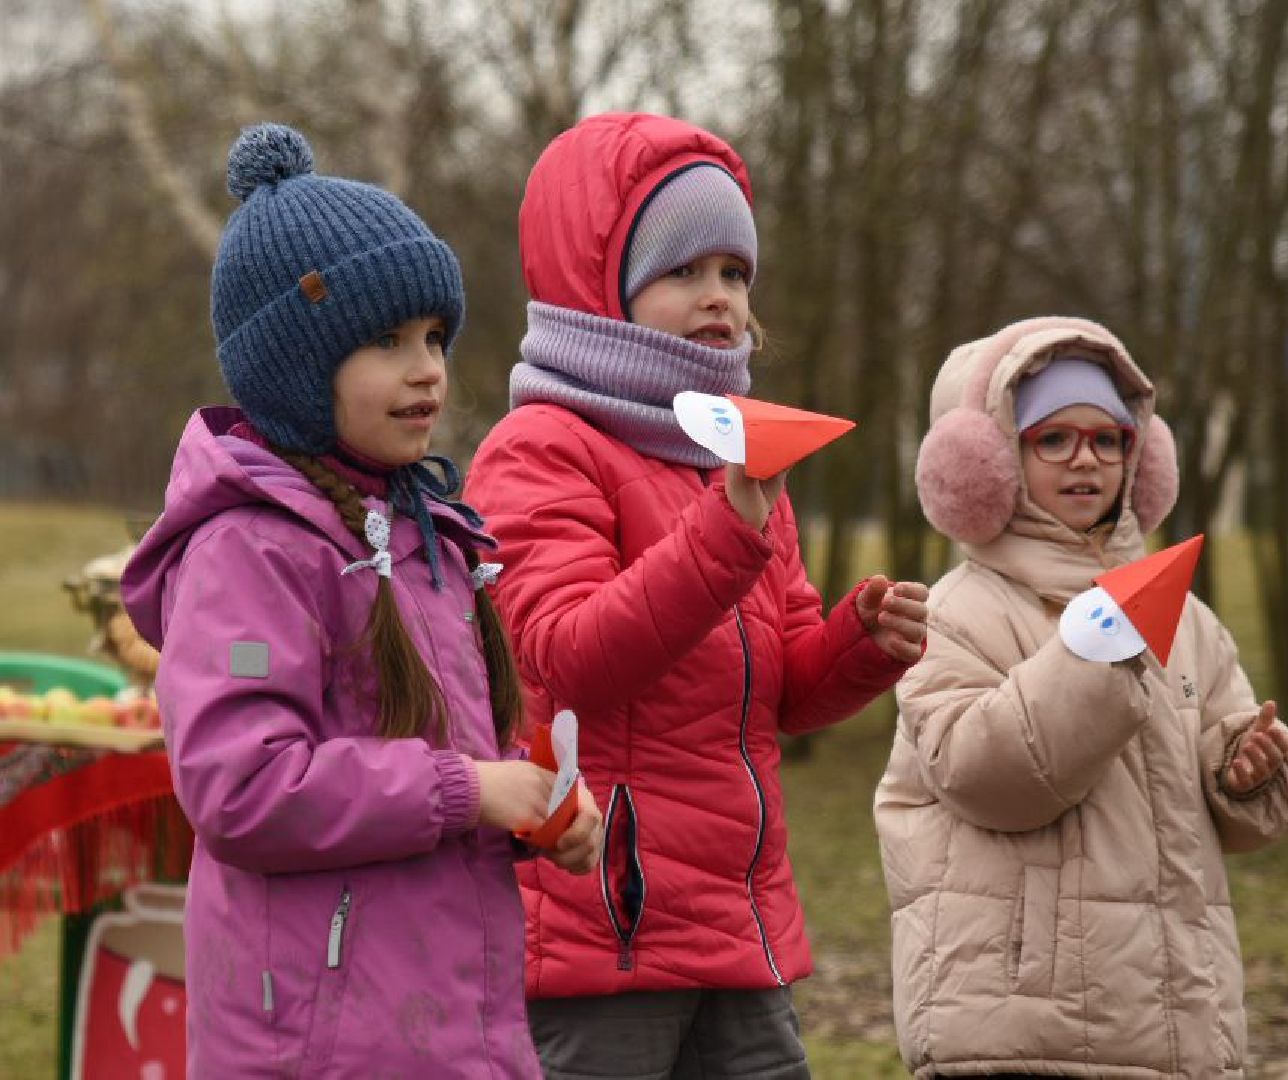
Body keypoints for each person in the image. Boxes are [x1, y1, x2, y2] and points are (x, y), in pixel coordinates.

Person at [121, 123, 602, 1078]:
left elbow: (431, 761)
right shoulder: (250, 546)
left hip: (448, 1028)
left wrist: (527, 808)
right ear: (296, 368)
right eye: (385, 341)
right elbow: (243, 786)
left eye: (433, 336)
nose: (428, 367)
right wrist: (471, 791)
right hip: (319, 1044)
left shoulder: (426, 532)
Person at [464, 111, 930, 1079]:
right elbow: (566, 654)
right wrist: (726, 530)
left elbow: (786, 692)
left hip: (738, 929)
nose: (717, 296)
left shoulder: (741, 463)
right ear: (600, 289)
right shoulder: (540, 448)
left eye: (734, 273)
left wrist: (860, 641)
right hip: (605, 936)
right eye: (681, 271)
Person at [874, 316, 1288, 1078]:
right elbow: (988, 777)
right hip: (1018, 1024)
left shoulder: (1185, 618)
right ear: (993, 460)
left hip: (1169, 1015)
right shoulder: (955, 612)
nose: (1086, 460)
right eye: (1053, 438)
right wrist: (1092, 656)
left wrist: (1240, 765)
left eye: (1107, 440)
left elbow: (1215, 780)